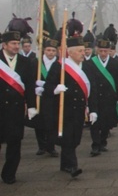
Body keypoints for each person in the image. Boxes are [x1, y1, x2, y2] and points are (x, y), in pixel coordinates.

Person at [42, 36, 95, 178]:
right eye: (79, 51)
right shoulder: (60, 66)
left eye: (84, 50)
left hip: (80, 109)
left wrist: (93, 110)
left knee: (75, 139)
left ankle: (65, 164)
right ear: (70, 53)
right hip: (64, 109)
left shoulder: (88, 66)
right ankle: (72, 166)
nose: (83, 53)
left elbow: (93, 90)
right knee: (68, 138)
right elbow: (47, 87)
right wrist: (55, 89)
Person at [1, 29, 37, 184]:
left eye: (18, 43)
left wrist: (32, 105)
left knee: (15, 143)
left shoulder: (25, 62)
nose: (17, 46)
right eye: (13, 43)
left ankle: (9, 174)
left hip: (16, 110)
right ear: (4, 45)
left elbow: (29, 85)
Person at [84, 38, 118, 156]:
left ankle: (103, 142)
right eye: (101, 51)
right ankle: (95, 145)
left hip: (110, 97)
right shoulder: (90, 63)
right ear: (97, 50)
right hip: (95, 97)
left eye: (105, 51)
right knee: (94, 122)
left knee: (107, 122)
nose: (103, 53)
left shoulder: (115, 63)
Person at [29, 38, 60, 157]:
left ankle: (51, 147)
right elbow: (30, 79)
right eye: (48, 50)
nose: (51, 53)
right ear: (44, 51)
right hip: (39, 97)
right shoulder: (35, 63)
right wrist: (35, 88)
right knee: (40, 122)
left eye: (53, 50)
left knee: (52, 123)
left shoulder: (59, 64)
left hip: (53, 98)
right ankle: (41, 146)